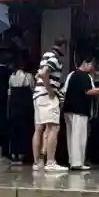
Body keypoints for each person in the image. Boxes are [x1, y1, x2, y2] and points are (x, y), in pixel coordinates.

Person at [62, 55, 99, 170]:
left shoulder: (71, 75)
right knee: (79, 135)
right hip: (80, 110)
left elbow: (64, 91)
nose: (92, 68)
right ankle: (77, 162)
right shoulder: (85, 76)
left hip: (68, 109)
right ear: (85, 63)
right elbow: (89, 91)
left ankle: (72, 160)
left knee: (71, 135)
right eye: (91, 65)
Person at [32, 40, 66, 171]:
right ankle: (50, 162)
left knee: (38, 129)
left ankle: (37, 163)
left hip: (38, 95)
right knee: (54, 128)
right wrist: (50, 90)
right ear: (62, 46)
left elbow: (37, 75)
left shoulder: (45, 56)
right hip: (47, 96)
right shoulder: (54, 58)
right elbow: (43, 73)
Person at [7, 56, 35, 164]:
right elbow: (32, 89)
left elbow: (9, 93)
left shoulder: (12, 77)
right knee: (25, 130)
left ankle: (14, 153)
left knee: (15, 130)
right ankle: (24, 154)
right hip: (25, 106)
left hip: (14, 106)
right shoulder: (28, 76)